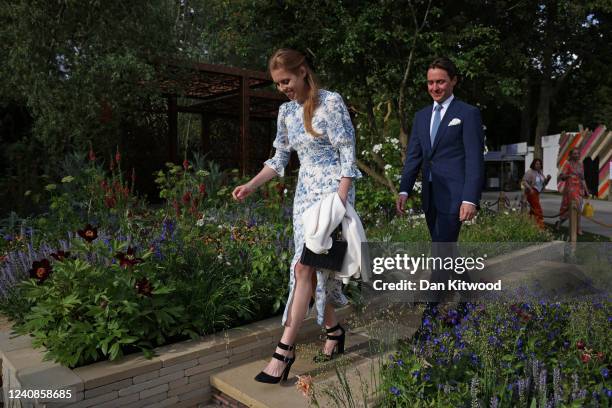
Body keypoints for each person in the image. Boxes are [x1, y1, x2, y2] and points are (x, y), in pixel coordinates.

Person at [232, 48, 362, 384]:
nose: (282, 88)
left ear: (303, 71)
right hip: (304, 198)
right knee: (315, 270)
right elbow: (279, 159)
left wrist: (341, 203)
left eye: (286, 80)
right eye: (277, 84)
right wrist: (250, 185)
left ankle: (283, 352)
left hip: (333, 195)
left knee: (305, 266)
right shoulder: (286, 112)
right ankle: (334, 331)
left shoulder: (331, 102)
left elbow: (348, 153)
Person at [395, 57, 484, 317]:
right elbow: (414, 156)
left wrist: (470, 198)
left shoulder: (467, 113)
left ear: (453, 81)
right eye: (431, 82)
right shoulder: (421, 116)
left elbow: (474, 160)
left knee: (441, 253)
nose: (435, 87)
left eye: (441, 82)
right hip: (431, 196)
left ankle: (430, 317)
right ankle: (469, 296)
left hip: (455, 198)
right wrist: (404, 189)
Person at [557, 148, 589, 234]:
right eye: (574, 154)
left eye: (578, 153)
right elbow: (562, 176)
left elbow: (583, 178)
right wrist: (566, 176)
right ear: (571, 155)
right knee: (576, 207)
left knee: (574, 209)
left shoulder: (581, 164)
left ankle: (560, 223)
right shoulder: (567, 164)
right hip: (570, 189)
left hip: (579, 189)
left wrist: (586, 190)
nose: (577, 155)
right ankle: (578, 228)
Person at [522, 158, 551, 229]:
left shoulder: (540, 172)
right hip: (531, 193)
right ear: (533, 164)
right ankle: (540, 226)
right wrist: (530, 188)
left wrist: (548, 179)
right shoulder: (530, 172)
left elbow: (544, 183)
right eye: (537, 164)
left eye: (540, 164)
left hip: (537, 193)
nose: (538, 165)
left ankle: (527, 223)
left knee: (533, 210)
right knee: (538, 209)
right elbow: (524, 181)